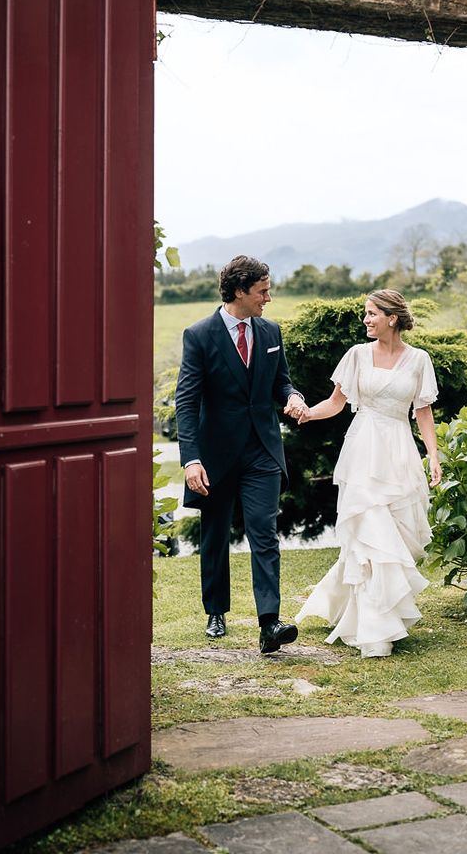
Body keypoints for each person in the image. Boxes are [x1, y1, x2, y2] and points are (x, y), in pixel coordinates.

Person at [293, 289, 442, 658]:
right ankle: (376, 631)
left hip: (400, 452)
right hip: (363, 452)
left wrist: (434, 455)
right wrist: (309, 413)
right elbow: (336, 402)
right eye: (365, 313)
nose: (366, 320)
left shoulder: (419, 359)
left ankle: (366, 610)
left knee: (399, 538)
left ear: (392, 317)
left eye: (372, 313)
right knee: (372, 537)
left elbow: (422, 412)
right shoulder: (357, 355)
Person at [175, 255, 306, 654]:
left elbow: (281, 383)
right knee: (215, 534)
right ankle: (216, 611)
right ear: (239, 291)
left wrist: (294, 397)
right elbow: (186, 400)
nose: (269, 297)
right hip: (214, 455)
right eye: (263, 291)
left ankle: (270, 623)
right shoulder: (199, 335)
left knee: (263, 532)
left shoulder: (271, 332)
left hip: (262, 450)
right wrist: (191, 458)